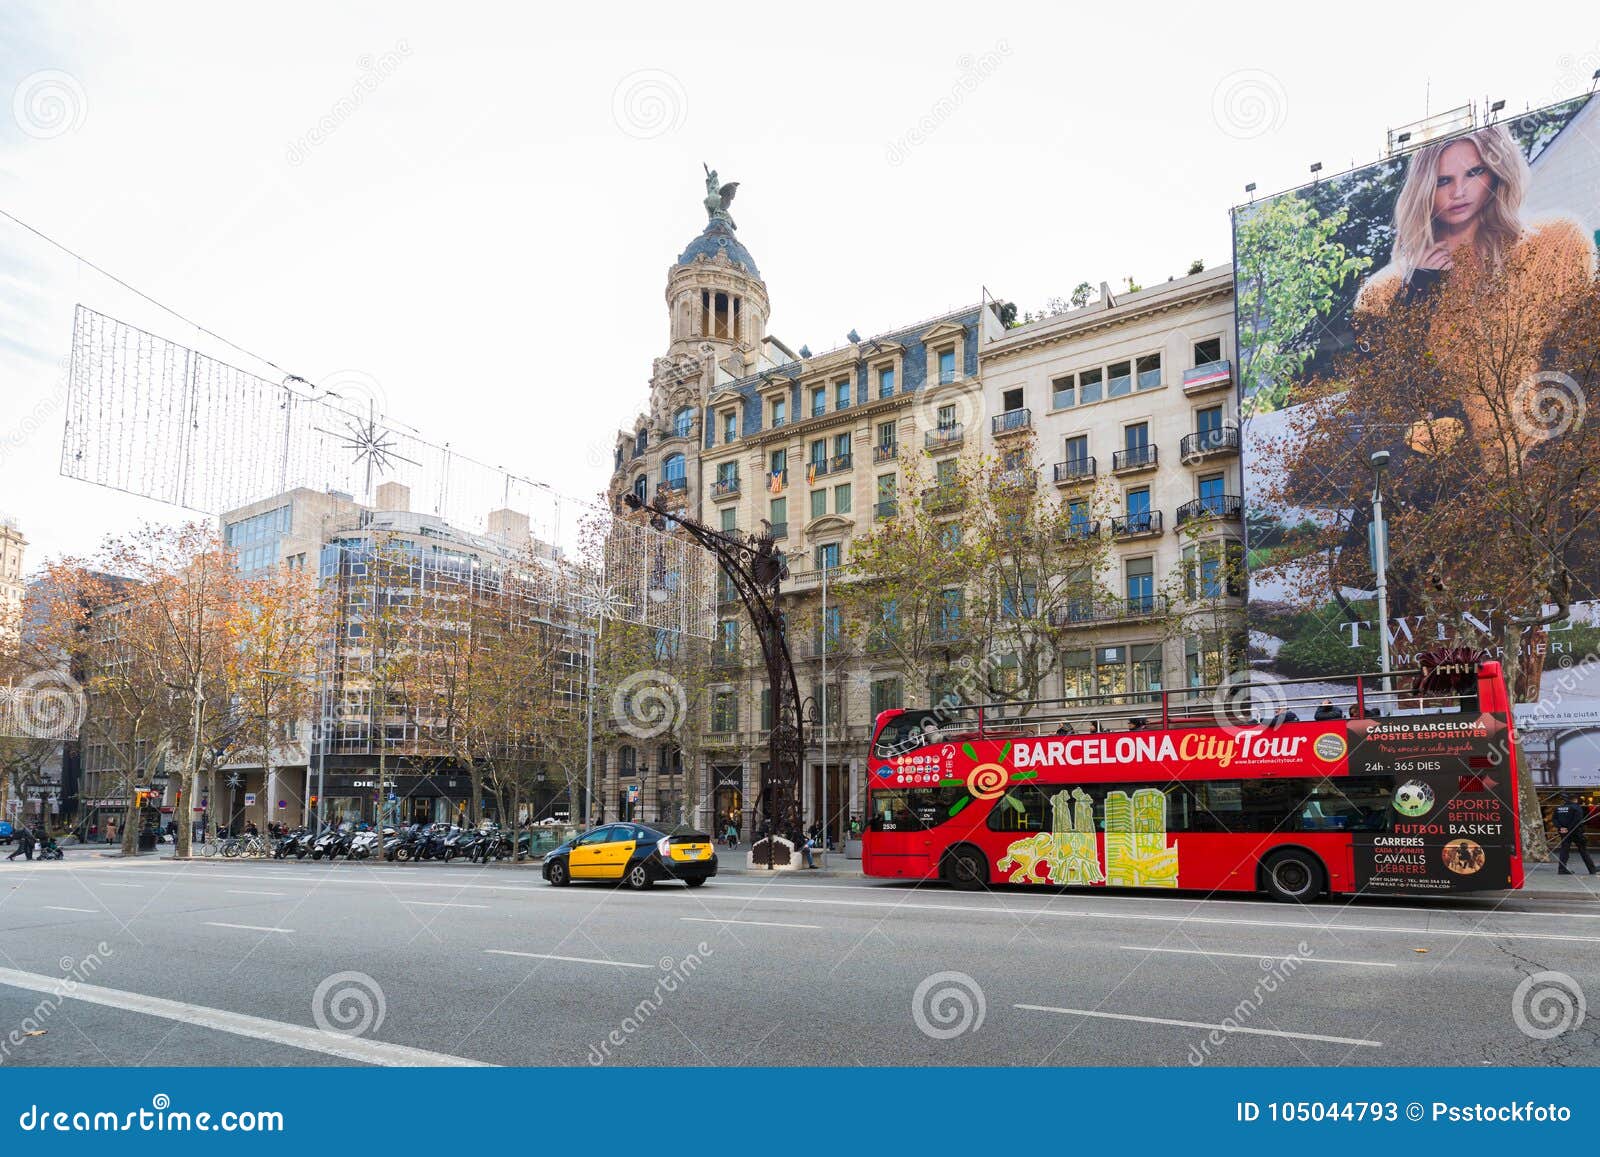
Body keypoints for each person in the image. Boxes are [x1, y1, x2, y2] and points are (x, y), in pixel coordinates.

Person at [1552, 794, 1598, 876]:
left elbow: (1554, 819)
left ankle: (1562, 869)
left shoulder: (1559, 808)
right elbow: (1577, 820)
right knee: (1583, 850)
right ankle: (1592, 869)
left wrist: (1561, 828)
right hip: (1576, 832)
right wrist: (1569, 828)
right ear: (1575, 800)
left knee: (1564, 850)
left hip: (1564, 832)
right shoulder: (1576, 808)